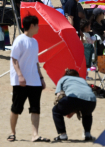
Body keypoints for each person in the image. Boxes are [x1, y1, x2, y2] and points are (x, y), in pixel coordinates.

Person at [8, 15, 49, 143]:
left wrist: (41, 78)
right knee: (16, 108)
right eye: (37, 25)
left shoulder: (35, 42)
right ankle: (12, 133)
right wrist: (20, 75)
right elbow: (14, 59)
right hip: (21, 81)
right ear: (32, 26)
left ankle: (35, 135)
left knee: (35, 108)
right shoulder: (19, 40)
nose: (38, 28)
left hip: (34, 80)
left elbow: (35, 62)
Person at [52, 69, 97, 142]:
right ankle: (87, 134)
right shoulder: (82, 79)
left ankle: (63, 135)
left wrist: (67, 109)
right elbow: (82, 98)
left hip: (72, 99)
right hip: (91, 100)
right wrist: (72, 110)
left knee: (56, 111)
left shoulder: (63, 79)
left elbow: (59, 95)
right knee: (87, 114)